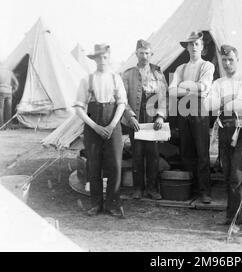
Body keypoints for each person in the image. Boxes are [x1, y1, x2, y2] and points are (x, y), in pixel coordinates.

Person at [74, 44, 126, 218]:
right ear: (94, 59)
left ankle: (112, 204)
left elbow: (121, 103)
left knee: (115, 166)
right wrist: (95, 126)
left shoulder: (115, 78)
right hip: (92, 126)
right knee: (93, 165)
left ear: (109, 57)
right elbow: (79, 108)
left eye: (105, 57)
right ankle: (96, 204)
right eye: (98, 58)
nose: (102, 61)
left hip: (113, 125)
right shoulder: (87, 80)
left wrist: (111, 126)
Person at [206, 44, 242, 225]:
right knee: (227, 174)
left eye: (231, 60)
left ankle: (233, 218)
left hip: (241, 130)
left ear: (237, 60)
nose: (227, 64)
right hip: (225, 131)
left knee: (237, 175)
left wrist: (223, 102)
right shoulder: (218, 83)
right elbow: (208, 106)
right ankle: (236, 216)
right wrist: (232, 100)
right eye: (224, 60)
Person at [169, 31, 215, 203]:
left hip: (199, 109)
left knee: (202, 151)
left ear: (202, 47)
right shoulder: (180, 68)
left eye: (197, 44)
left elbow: (204, 87)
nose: (194, 47)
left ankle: (204, 191)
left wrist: (183, 86)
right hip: (183, 109)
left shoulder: (207, 66)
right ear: (187, 47)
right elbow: (172, 90)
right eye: (191, 44)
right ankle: (191, 187)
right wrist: (192, 88)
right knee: (187, 149)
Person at [122, 39, 167, 200]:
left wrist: (161, 116)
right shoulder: (128, 74)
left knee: (153, 155)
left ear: (151, 54)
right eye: (141, 53)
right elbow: (122, 99)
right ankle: (138, 188)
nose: (144, 56)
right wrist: (130, 116)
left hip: (152, 119)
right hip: (136, 118)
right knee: (137, 154)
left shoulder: (158, 74)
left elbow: (163, 98)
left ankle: (152, 189)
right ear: (136, 54)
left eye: (147, 53)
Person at [0, 62, 19, 127]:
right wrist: (13, 90)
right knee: (8, 109)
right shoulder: (10, 72)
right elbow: (16, 83)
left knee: (1, 109)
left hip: (1, 91)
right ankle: (8, 125)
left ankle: (1, 126)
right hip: (9, 92)